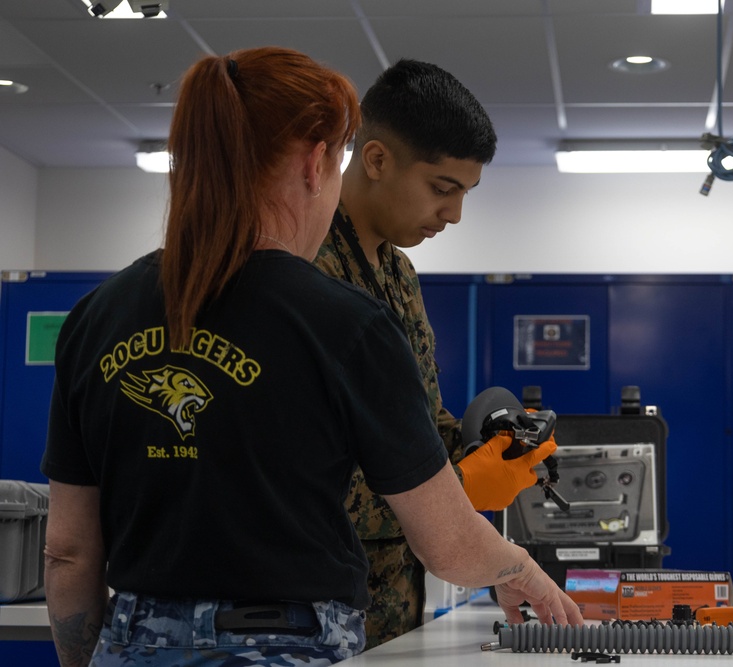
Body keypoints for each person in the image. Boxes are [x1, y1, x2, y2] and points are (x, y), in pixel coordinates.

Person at [40, 46, 583, 667]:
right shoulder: (341, 318)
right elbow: (446, 542)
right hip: (280, 644)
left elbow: (68, 552)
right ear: (317, 162)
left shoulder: (95, 317)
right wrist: (516, 564)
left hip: (133, 641)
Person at [313, 58, 551, 648]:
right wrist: (455, 491)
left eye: (464, 193)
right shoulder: (305, 271)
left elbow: (414, 419)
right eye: (442, 189)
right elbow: (296, 467)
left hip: (396, 606)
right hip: (316, 613)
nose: (454, 214)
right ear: (375, 159)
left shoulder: (399, 274)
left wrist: (487, 449)